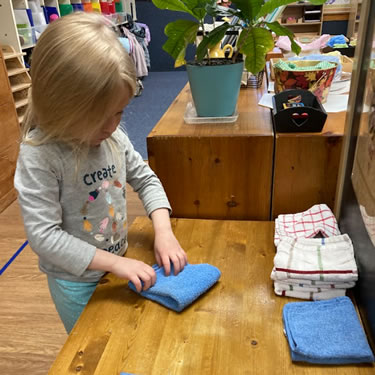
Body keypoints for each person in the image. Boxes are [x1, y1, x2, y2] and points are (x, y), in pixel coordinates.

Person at [14, 12, 187, 334]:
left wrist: (163, 230)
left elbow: (145, 179)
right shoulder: (39, 156)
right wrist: (116, 263)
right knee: (93, 349)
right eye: (98, 118)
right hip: (76, 282)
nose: (112, 127)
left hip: (116, 264)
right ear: (58, 107)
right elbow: (45, 237)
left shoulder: (113, 137)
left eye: (119, 112)